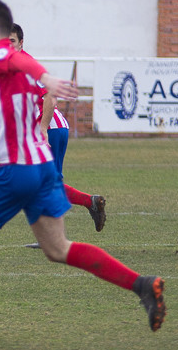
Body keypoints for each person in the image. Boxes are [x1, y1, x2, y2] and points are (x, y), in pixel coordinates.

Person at [0, 0, 166, 336]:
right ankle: (143, 285)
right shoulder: (7, 72)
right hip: (41, 168)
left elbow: (9, 55)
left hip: (12, 171)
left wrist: (46, 77)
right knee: (59, 249)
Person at [9, 23, 106, 235]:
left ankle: (57, 231)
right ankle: (88, 204)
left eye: (12, 41)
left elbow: (50, 98)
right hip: (56, 128)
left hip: (50, 130)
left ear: (21, 43)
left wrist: (43, 129)